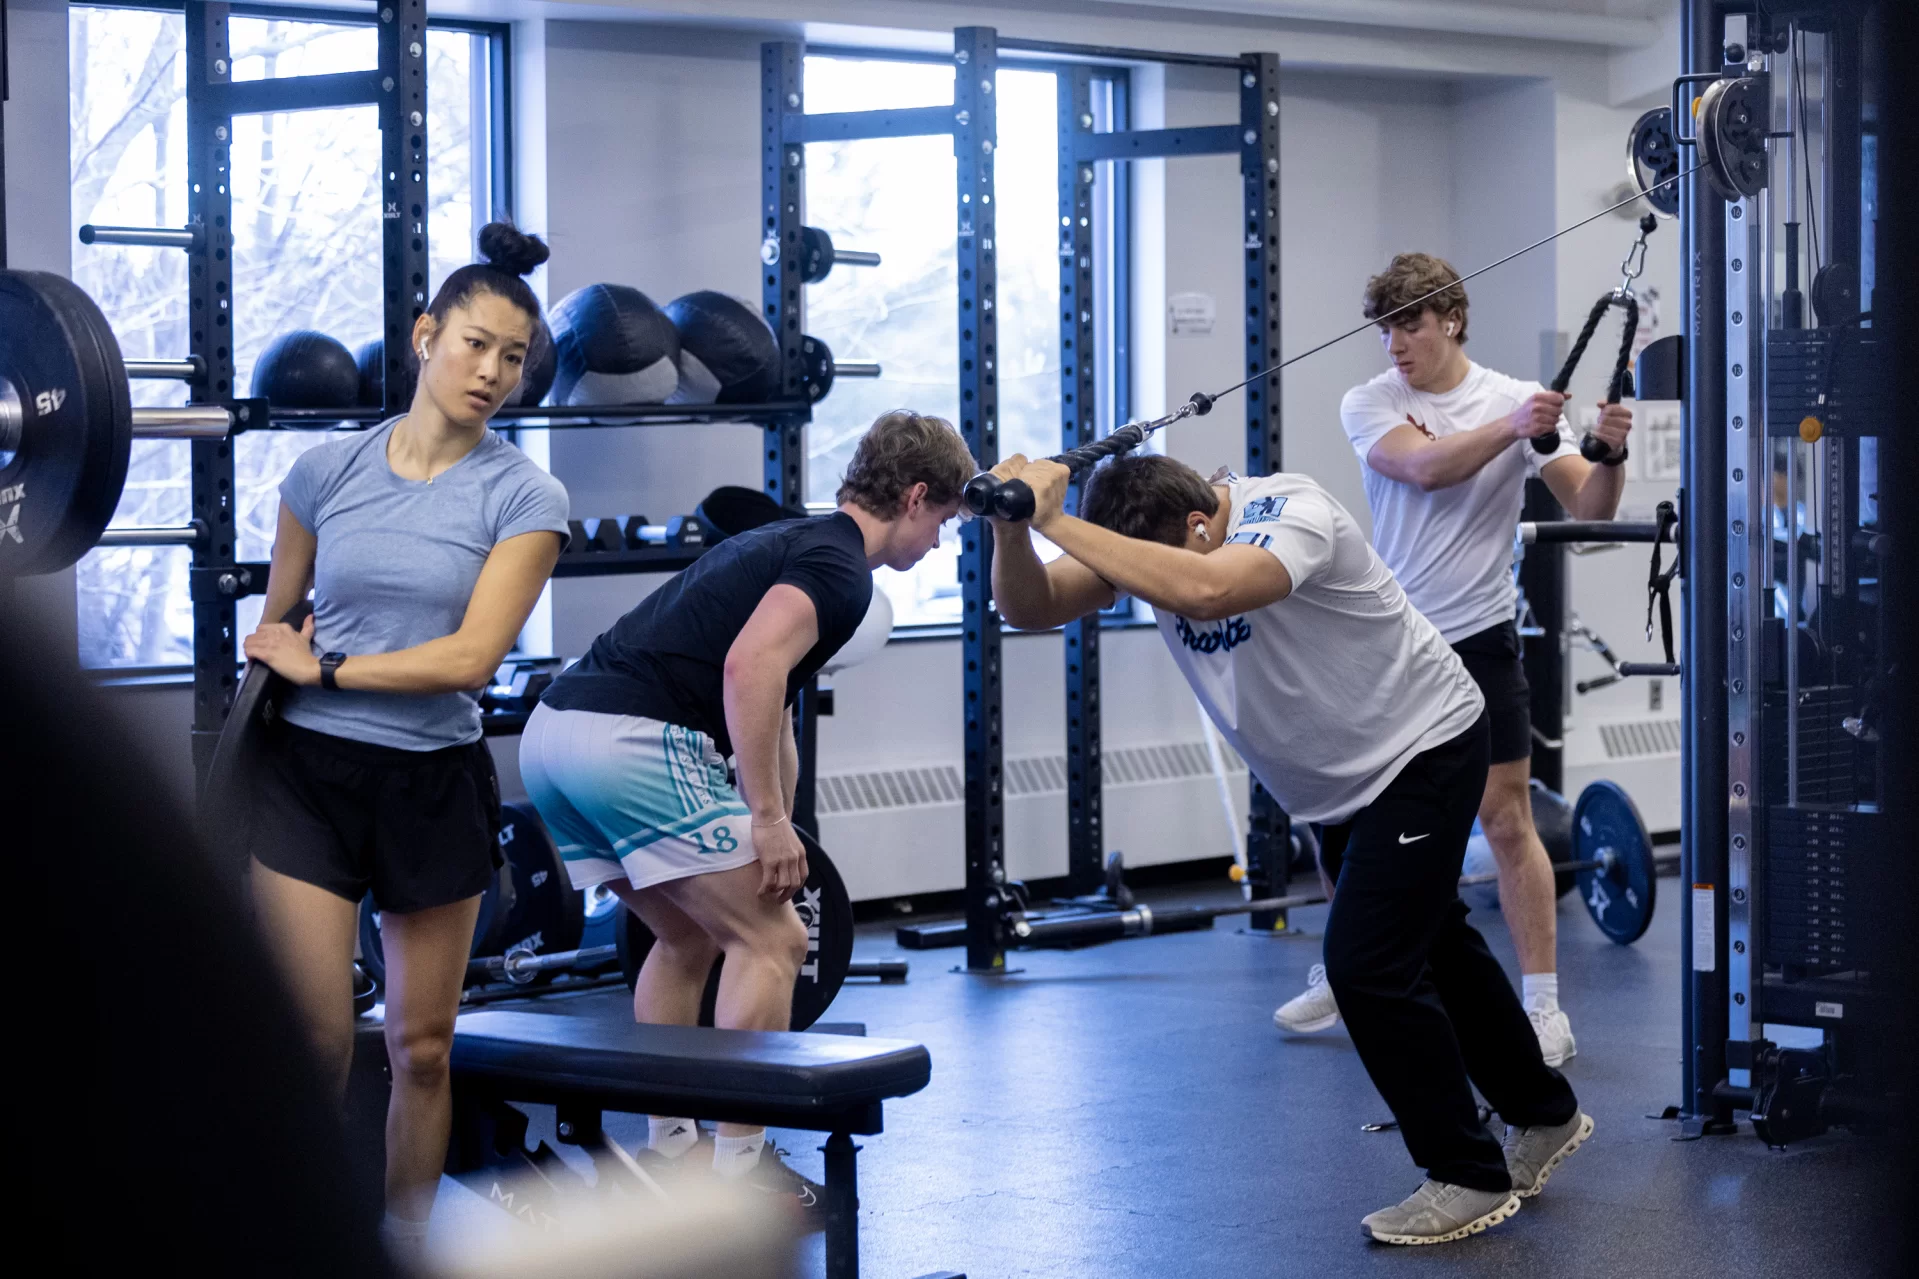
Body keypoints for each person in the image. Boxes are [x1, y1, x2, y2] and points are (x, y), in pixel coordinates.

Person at [989, 448, 1589, 1244]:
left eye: (1157, 566)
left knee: (1365, 965)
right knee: (1433, 943)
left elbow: (1207, 590)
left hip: (1424, 746)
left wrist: (1055, 517)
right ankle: (1542, 1113)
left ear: (1201, 525)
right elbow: (1029, 608)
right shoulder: (1155, 542)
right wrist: (1012, 527)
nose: (1147, 586)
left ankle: (1467, 1173)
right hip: (1343, 781)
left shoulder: (1290, 512)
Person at [518, 410, 974, 1211]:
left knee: (686, 933)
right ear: (912, 497)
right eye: (942, 519)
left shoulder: (794, 545)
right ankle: (734, 1183)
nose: (938, 541)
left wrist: (776, 821)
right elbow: (749, 668)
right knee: (774, 938)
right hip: (630, 737)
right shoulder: (840, 569)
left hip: (555, 736)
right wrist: (762, 820)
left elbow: (774, 710)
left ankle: (673, 1153)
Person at [240, 222, 571, 1263]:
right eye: (474, 344)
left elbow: (471, 658)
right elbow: (276, 622)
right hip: (307, 776)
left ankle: (400, 1242)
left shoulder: (525, 495)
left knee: (421, 1048)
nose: (491, 372)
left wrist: (329, 667)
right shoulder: (325, 469)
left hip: (430, 780)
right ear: (425, 336)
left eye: (512, 358)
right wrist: (289, 667)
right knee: (314, 1035)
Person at [1273, 253, 1634, 1067]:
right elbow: (1419, 468)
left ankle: (1542, 1008)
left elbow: (1590, 507)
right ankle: (1343, 964)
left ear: (1451, 321)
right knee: (1348, 817)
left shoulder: (1511, 398)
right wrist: (1515, 428)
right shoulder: (1372, 401)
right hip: (1388, 636)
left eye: (1410, 325)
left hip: (1476, 633)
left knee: (1503, 817)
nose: (1394, 344)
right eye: (1385, 328)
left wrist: (1606, 454)